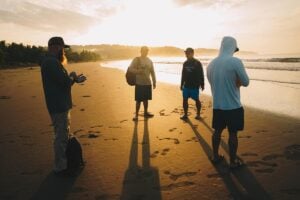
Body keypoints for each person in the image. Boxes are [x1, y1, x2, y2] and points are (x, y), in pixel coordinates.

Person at [40, 36, 86, 175]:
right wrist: (72, 76)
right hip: (59, 105)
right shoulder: (51, 63)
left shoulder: (50, 62)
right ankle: (60, 166)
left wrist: (74, 79)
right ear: (56, 47)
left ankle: (62, 163)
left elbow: (62, 83)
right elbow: (65, 83)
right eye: (62, 48)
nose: (64, 52)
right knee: (61, 137)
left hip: (58, 103)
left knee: (61, 134)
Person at [207, 36, 249, 169]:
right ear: (232, 47)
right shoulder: (235, 61)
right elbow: (246, 82)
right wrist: (237, 82)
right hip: (233, 106)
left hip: (218, 105)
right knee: (233, 133)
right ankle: (233, 161)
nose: (235, 52)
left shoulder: (211, 64)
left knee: (217, 131)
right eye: (234, 49)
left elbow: (214, 83)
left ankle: (215, 156)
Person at [128, 46, 156, 121]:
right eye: (144, 51)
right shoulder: (136, 59)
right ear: (141, 51)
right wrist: (138, 71)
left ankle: (145, 112)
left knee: (146, 99)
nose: (145, 52)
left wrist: (154, 82)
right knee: (138, 100)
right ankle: (136, 115)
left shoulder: (149, 60)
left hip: (147, 83)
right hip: (139, 83)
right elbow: (130, 69)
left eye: (146, 51)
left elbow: (152, 72)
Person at [180, 47, 204, 120]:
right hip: (186, 85)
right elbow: (183, 74)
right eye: (186, 53)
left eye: (188, 53)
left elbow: (201, 74)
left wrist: (202, 84)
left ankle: (198, 114)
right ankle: (185, 115)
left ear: (192, 53)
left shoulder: (197, 63)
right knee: (184, 99)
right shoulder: (185, 63)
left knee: (196, 99)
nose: (186, 54)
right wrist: (181, 84)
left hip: (194, 85)